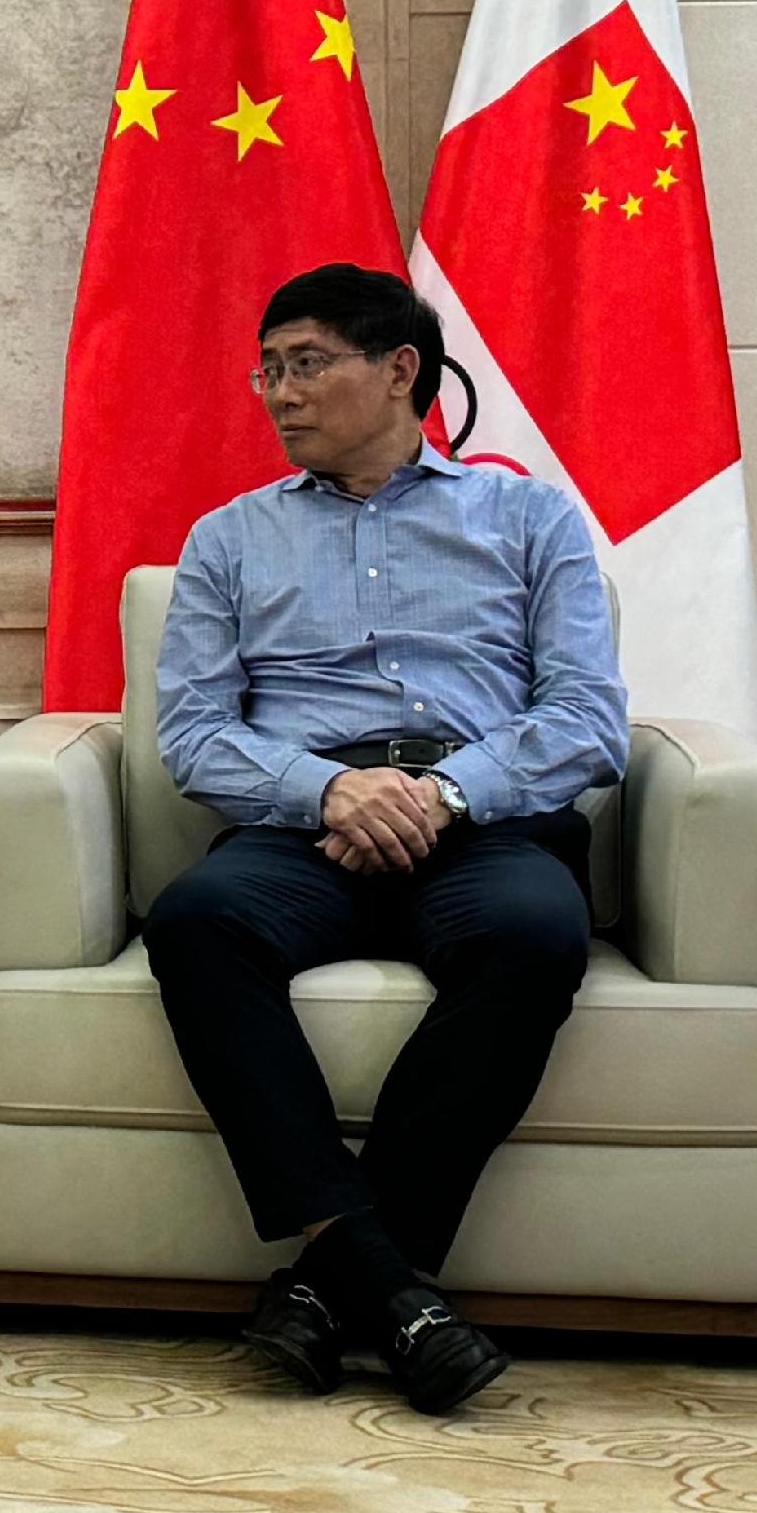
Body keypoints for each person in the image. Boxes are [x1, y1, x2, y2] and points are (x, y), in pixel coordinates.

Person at [143, 262, 627, 1414]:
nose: (277, 393)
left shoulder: (528, 516)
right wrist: (328, 790)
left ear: (399, 368)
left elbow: (585, 717)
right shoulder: (228, 539)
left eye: (305, 362)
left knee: (533, 931)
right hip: (304, 826)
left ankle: (326, 1285)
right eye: (267, 369)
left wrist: (441, 793)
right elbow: (194, 733)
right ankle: (385, 1283)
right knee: (197, 920)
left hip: (482, 823)